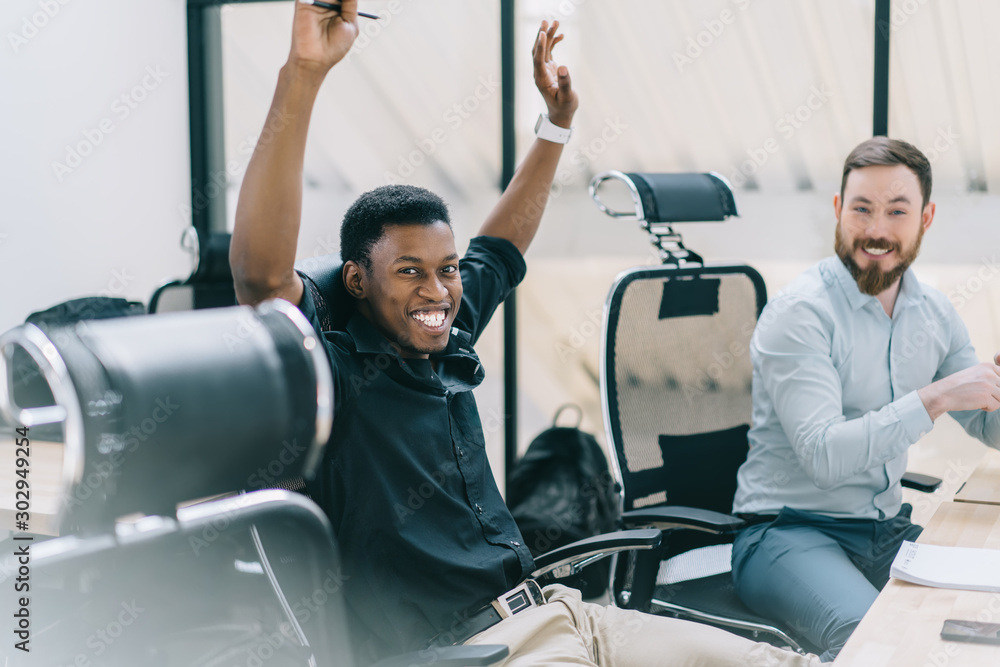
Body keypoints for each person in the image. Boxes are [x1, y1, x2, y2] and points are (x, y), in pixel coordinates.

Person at [231, 2, 819, 665]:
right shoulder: (332, 377)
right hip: (470, 651)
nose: (437, 289)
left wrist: (556, 125)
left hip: (557, 610)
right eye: (409, 272)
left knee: (787, 661)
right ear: (358, 282)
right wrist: (303, 72)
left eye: (445, 269)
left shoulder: (443, 330)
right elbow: (260, 278)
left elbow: (501, 247)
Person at [730, 136, 1000, 661]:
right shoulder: (801, 314)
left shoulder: (933, 311)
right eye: (862, 209)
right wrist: (936, 396)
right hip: (787, 533)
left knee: (978, 615)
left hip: (882, 532)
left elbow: (986, 424)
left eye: (897, 211)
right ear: (838, 210)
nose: (877, 230)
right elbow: (825, 457)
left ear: (926, 218)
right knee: (878, 646)